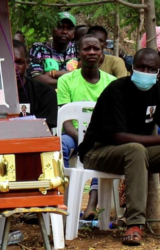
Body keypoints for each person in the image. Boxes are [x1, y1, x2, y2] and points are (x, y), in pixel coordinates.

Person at [78, 48, 160, 245]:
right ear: (132, 68)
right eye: (141, 67)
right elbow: (118, 136)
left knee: (137, 150)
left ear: (158, 72)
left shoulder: (158, 91)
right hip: (98, 151)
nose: (145, 72)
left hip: (135, 153)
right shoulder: (117, 90)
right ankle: (134, 223)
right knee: (135, 149)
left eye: (151, 69)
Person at [57, 34, 116, 219]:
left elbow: (113, 120)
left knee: (107, 150)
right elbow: (66, 122)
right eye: (86, 49)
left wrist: (94, 139)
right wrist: (84, 139)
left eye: (96, 49)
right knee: (59, 147)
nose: (91, 52)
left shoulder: (112, 83)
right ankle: (62, 201)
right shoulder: (66, 81)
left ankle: (91, 205)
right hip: (73, 135)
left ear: (102, 52)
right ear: (78, 53)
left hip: (101, 137)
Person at [28, 12, 78, 88]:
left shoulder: (78, 48)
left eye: (69, 29)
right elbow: (36, 77)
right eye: (60, 27)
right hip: (47, 95)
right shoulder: (39, 48)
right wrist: (67, 83)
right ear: (51, 29)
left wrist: (52, 73)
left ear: (74, 33)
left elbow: (83, 75)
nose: (64, 31)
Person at [15, 40, 57, 128]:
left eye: (19, 62)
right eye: (8, 62)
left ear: (27, 64)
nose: (14, 67)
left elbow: (43, 130)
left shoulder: (45, 93)